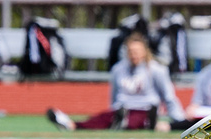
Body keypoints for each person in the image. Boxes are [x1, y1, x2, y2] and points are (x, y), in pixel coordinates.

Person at [46, 33, 187, 132]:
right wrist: (114, 111)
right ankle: (71, 124)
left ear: (144, 51)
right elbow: (114, 95)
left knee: (134, 122)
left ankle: (124, 123)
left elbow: (168, 97)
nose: (134, 55)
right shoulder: (119, 69)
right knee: (102, 119)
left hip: (145, 110)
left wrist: (179, 121)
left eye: (137, 51)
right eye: (131, 51)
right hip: (123, 109)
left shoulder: (156, 70)